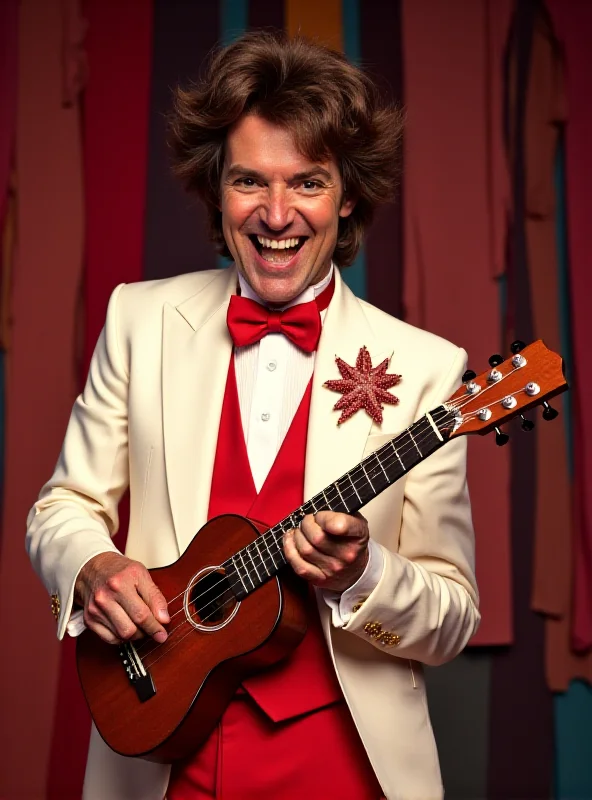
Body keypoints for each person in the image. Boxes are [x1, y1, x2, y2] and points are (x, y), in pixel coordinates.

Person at [26, 32, 479, 800]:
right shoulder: (139, 318)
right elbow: (63, 506)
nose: (276, 215)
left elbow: (452, 616)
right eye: (249, 182)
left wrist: (364, 573)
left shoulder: (429, 369)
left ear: (348, 196)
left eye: (307, 183)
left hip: (345, 764)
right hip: (160, 747)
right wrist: (91, 567)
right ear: (216, 188)